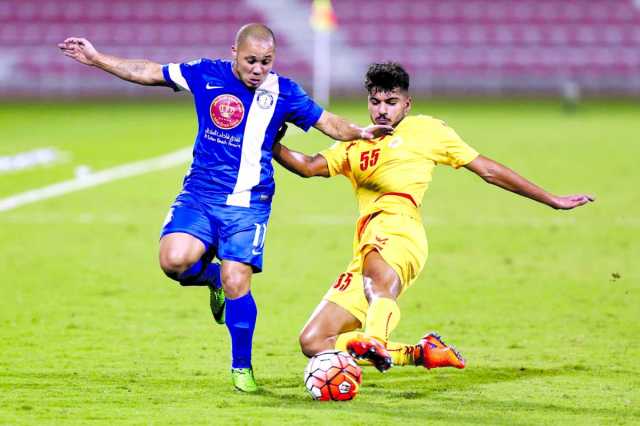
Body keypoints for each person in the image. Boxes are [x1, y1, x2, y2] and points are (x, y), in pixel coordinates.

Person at [58, 24, 392, 392]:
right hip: (200, 194)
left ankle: (241, 369)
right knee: (173, 261)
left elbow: (327, 121)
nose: (257, 69)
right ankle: (212, 279)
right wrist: (97, 59)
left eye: (266, 62)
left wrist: (360, 132)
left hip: (249, 204)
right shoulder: (205, 73)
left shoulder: (284, 92)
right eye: (251, 60)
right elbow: (150, 71)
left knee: (239, 280)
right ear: (234, 51)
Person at [272, 62, 594, 373]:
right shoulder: (356, 141)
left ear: (407, 104)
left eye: (391, 102)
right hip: (366, 242)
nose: (382, 110)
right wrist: (271, 142)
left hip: (401, 230)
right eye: (375, 101)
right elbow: (309, 166)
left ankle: (375, 339)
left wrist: (550, 199)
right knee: (315, 341)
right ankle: (420, 352)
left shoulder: (426, 130)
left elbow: (488, 171)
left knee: (378, 277)